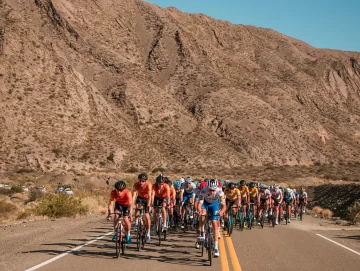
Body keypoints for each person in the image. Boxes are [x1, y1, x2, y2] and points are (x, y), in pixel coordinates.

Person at [197, 178, 226, 258]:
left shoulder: (220, 192)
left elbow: (224, 206)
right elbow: (199, 204)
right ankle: (202, 232)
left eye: (213, 190)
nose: (212, 192)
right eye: (210, 190)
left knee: (214, 222)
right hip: (205, 204)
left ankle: (216, 248)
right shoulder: (203, 191)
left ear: (216, 188)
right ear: (207, 187)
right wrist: (199, 211)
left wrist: (221, 212)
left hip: (214, 204)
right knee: (202, 213)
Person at [132, 172, 152, 243]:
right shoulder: (136, 185)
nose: (141, 182)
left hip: (147, 199)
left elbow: (150, 197)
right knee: (137, 207)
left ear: (145, 181)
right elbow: (134, 196)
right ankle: (136, 223)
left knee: (147, 215)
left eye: (143, 181)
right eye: (140, 180)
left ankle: (148, 233)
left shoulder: (148, 185)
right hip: (140, 198)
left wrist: (149, 206)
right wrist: (132, 205)